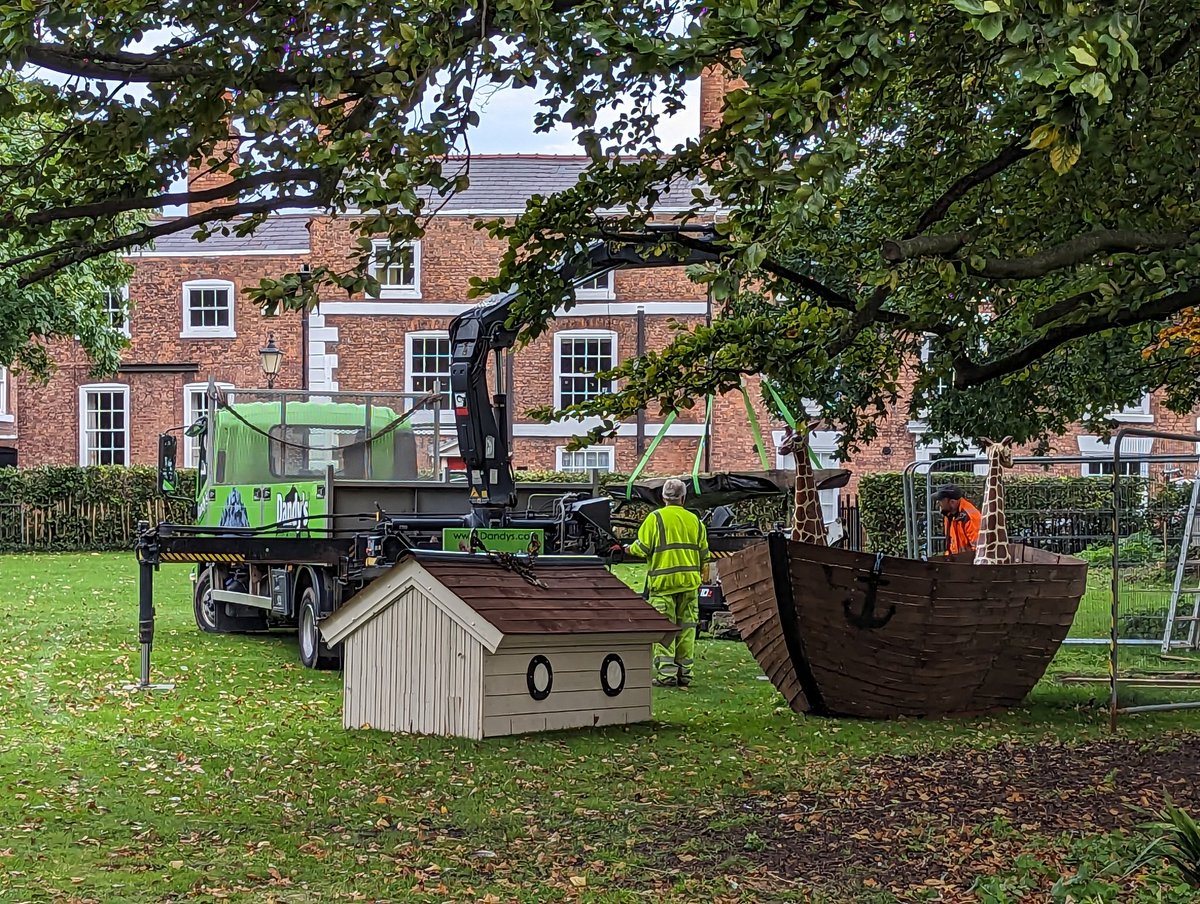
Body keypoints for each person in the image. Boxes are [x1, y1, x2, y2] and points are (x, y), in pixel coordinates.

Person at [623, 478, 709, 688]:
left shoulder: (655, 519)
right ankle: (685, 674)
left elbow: (642, 548)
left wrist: (626, 549)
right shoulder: (695, 521)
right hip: (689, 585)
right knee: (687, 630)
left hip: (663, 585)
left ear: (663, 497)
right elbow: (704, 556)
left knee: (665, 631)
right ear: (683, 498)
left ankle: (666, 675)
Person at [933, 484, 981, 555]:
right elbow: (951, 544)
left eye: (940, 500)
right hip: (958, 560)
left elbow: (978, 549)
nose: (938, 503)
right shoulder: (949, 514)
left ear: (952, 502)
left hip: (969, 562)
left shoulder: (970, 517)